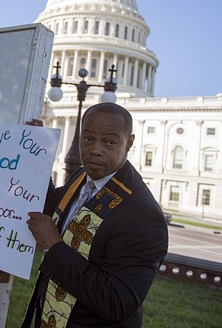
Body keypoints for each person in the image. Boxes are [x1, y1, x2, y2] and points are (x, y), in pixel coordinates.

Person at [22, 103, 168, 328]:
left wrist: (54, 246)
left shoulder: (143, 215)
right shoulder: (83, 176)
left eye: (109, 142)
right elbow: (53, 207)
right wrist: (39, 156)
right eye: (88, 139)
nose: (95, 150)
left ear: (128, 143)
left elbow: (117, 301)